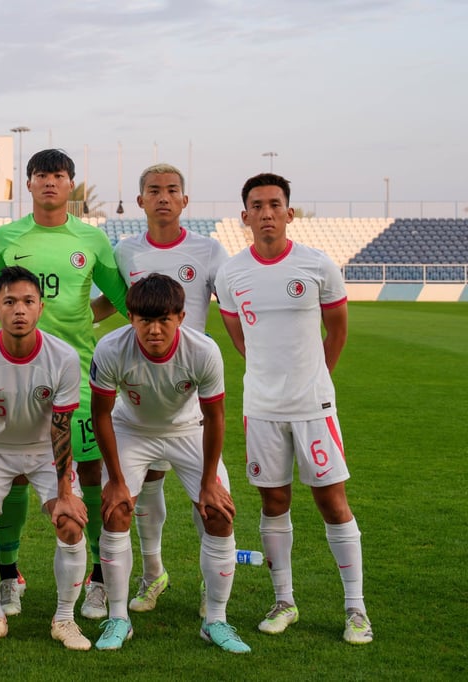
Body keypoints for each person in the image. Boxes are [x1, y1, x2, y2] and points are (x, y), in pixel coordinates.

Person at [215, 173, 372, 645]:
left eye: (275, 204)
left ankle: (356, 609)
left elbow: (338, 331)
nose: (266, 212)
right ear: (244, 216)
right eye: (257, 205)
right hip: (262, 407)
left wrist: (313, 380)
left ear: (289, 212)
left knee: (331, 501)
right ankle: (284, 600)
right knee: (273, 501)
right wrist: (270, 377)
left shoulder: (318, 265)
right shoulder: (231, 273)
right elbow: (241, 339)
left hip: (313, 407)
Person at [0, 149, 128, 619]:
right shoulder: (7, 237)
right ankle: (9, 574)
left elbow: (122, 297)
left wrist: (93, 317)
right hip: (17, 376)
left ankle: (99, 578)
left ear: (71, 185)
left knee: (89, 475)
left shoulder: (91, 239)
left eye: (59, 175)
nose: (50, 182)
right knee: (17, 473)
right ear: (28, 184)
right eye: (41, 175)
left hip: (77, 377)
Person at [90, 274, 249, 654]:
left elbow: (215, 418)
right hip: (133, 429)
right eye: (145, 320)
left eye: (164, 319)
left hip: (188, 429)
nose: (155, 330)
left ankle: (216, 621)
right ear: (130, 317)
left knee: (219, 513)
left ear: (181, 316)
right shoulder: (111, 349)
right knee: (115, 511)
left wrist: (209, 481)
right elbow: (101, 416)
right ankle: (118, 618)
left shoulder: (203, 350)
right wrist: (113, 479)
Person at [110, 163, 230, 617]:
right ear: (140, 201)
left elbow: (232, 303)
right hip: (140, 389)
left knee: (211, 497)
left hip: (189, 388)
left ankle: (210, 585)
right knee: (148, 483)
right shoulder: (126, 250)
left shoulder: (209, 250)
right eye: (154, 190)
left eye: (172, 190)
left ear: (185, 200)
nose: (163, 197)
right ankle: (153, 573)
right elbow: (116, 300)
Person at [0, 266, 89, 650]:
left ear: (40, 308)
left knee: (70, 523)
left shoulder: (62, 357)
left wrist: (65, 492)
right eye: (10, 302)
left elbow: (61, 428)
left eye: (28, 302)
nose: (20, 310)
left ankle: (65, 618)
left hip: (43, 450)